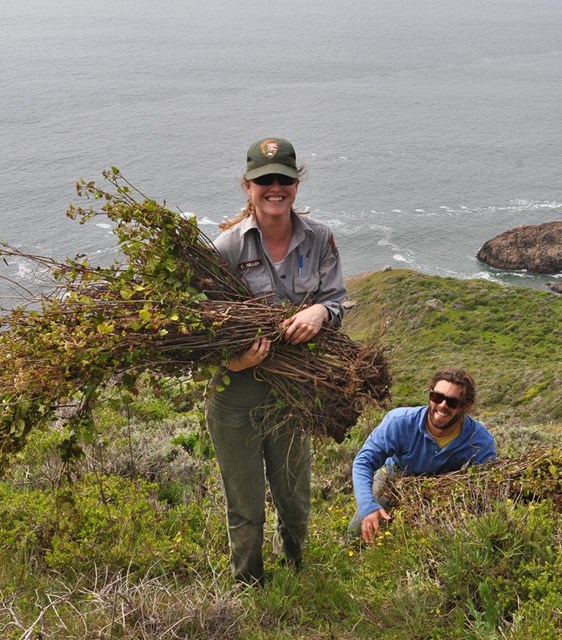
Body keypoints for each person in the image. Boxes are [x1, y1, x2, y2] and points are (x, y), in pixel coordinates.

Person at [206, 136, 346, 585]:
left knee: (293, 492)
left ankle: (299, 572)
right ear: (247, 185)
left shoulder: (321, 238)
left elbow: (338, 302)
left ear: (296, 184)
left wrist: (320, 312)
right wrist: (235, 362)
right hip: (236, 395)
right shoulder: (225, 249)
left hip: (293, 390)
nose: (274, 187)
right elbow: (203, 332)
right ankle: (249, 585)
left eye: (283, 179)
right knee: (244, 501)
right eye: (264, 179)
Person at [350, 368, 496, 542]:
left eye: (452, 402)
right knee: (357, 532)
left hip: (447, 488)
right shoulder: (399, 422)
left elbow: (488, 488)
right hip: (395, 477)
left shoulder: (480, 441)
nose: (442, 405)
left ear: (467, 406)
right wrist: (368, 506)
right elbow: (364, 461)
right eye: (437, 397)